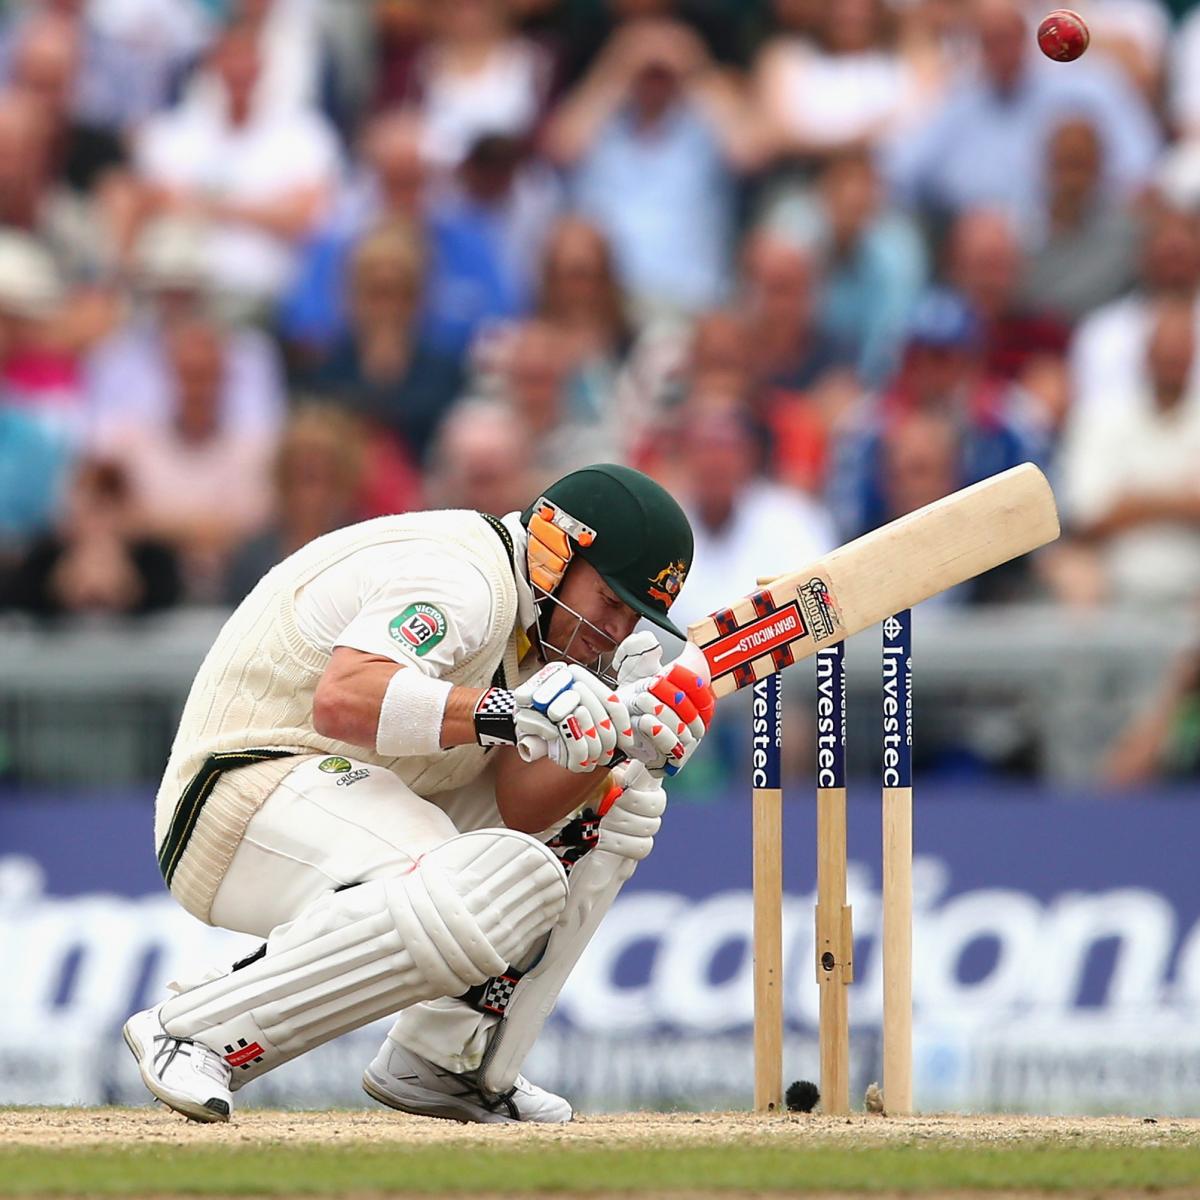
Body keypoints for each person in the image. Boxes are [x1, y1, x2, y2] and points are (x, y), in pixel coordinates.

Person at [122, 462, 714, 1125]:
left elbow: (523, 811)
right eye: (610, 601)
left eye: (635, 617)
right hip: (239, 792)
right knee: (471, 886)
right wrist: (513, 712)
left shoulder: (546, 634)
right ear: (556, 550)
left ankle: (446, 1061)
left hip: (359, 797)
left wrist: (619, 740)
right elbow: (343, 699)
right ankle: (194, 1028)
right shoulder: (466, 580)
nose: (617, 633)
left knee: (619, 798)